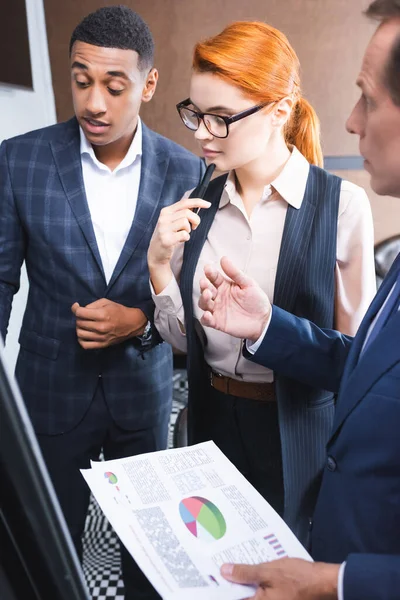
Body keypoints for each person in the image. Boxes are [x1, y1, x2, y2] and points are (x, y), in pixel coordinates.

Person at [0, 6, 204, 599]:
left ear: (148, 84)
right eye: (80, 80)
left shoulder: (186, 170)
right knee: (43, 548)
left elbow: (187, 296)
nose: (94, 103)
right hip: (47, 389)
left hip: (142, 395)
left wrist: (138, 321)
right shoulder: (20, 160)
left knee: (149, 554)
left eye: (115, 87)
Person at [198, 2, 400, 598]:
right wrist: (266, 327)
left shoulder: (343, 205)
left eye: (368, 97)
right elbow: (364, 372)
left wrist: (338, 584)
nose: (349, 120)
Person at [147, 21, 376, 544]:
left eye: (221, 119)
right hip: (210, 424)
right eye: (196, 114)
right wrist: (160, 267)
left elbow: (353, 363)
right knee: (215, 565)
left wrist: (269, 325)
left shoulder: (342, 207)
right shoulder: (198, 203)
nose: (201, 133)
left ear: (279, 111)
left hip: (298, 435)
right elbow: (190, 344)